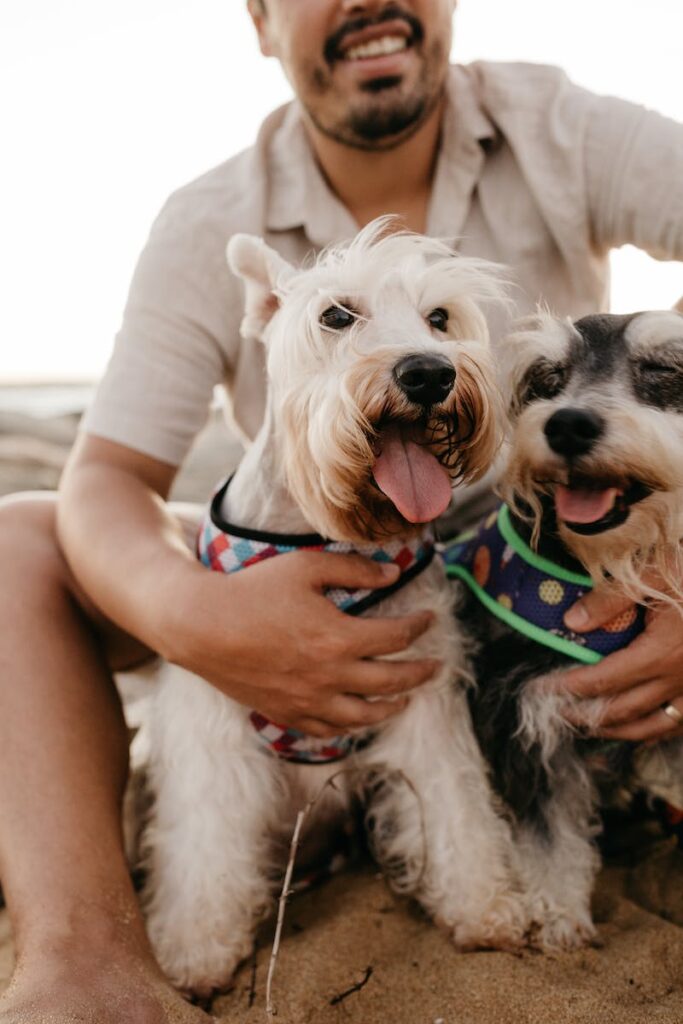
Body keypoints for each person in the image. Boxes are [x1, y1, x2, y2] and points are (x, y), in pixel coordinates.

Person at [1, 1, 682, 1020]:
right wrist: (199, 619)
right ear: (260, 19)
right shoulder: (207, 218)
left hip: (552, 552)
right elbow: (106, 474)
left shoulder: (564, 129)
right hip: (287, 557)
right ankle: (83, 947)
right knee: (17, 536)